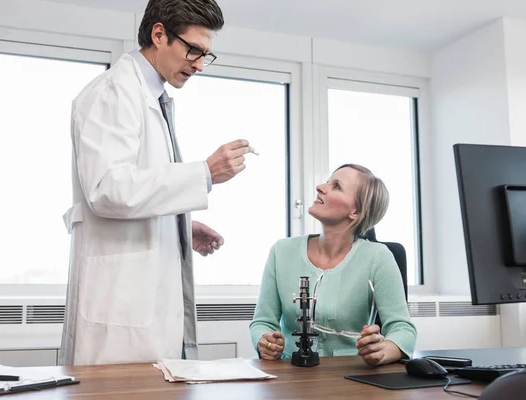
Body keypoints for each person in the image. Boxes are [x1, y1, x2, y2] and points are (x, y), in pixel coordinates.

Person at [60, 0, 251, 366]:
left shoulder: (153, 97)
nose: (198, 64)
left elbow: (136, 188)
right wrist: (206, 173)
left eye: (205, 54)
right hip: (119, 315)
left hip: (145, 308)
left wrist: (178, 225)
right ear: (158, 34)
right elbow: (107, 189)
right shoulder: (113, 92)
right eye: (193, 49)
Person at [249, 164, 417, 366]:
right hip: (291, 376)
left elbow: (403, 329)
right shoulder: (281, 251)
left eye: (336, 186)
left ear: (356, 211)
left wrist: (384, 350)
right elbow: (262, 322)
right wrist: (264, 341)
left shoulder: (378, 257)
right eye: (327, 181)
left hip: (350, 377)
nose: (320, 187)